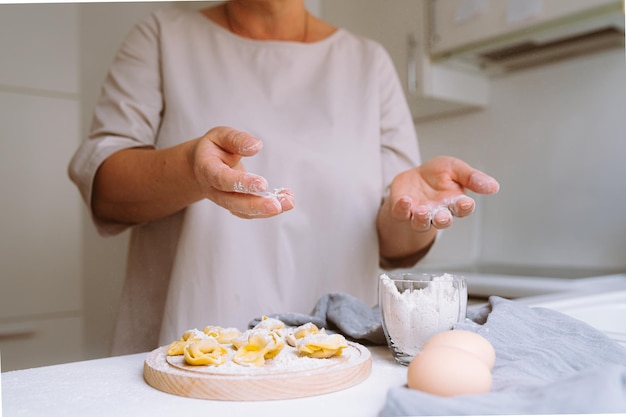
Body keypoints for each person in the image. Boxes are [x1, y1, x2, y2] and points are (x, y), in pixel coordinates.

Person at [69, 0, 499, 355]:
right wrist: (191, 171)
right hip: (190, 354)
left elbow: (395, 246)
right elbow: (106, 192)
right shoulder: (162, 36)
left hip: (337, 354)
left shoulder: (368, 63)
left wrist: (412, 211)